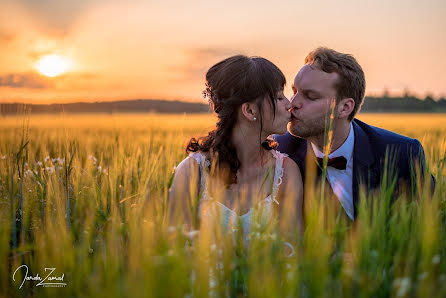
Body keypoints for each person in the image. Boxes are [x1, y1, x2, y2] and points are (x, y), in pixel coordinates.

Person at [275, 47, 434, 221]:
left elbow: (431, 224)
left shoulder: (402, 155)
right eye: (295, 91)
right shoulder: (279, 154)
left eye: (310, 96)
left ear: (344, 108)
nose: (292, 103)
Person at [168, 55, 303, 245]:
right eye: (279, 97)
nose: (289, 104)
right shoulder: (191, 172)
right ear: (249, 111)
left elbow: (293, 252)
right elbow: (176, 252)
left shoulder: (286, 172)